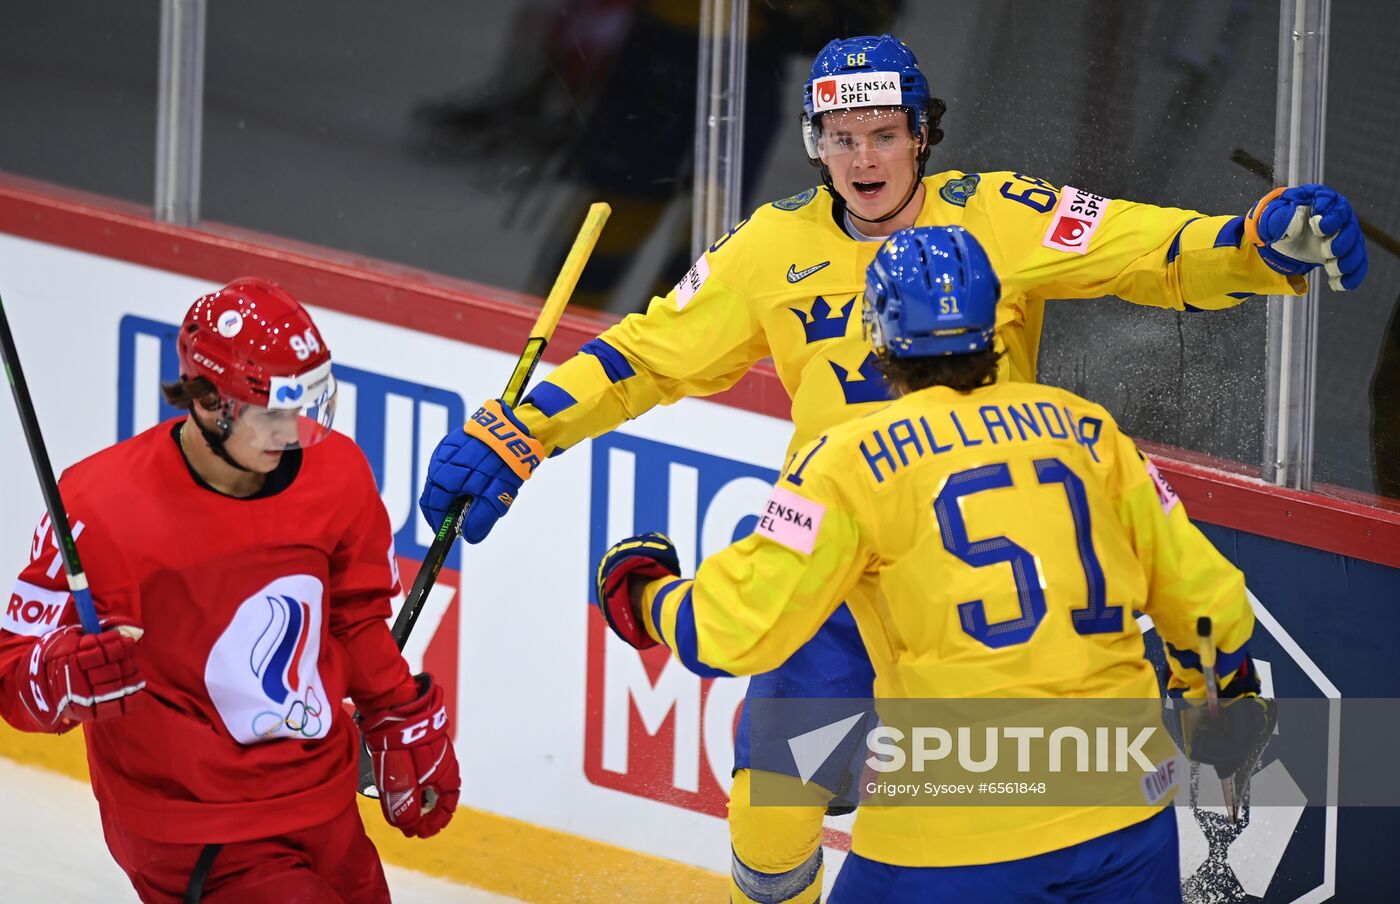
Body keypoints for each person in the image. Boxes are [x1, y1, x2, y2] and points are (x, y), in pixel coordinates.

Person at [420, 33, 1363, 903]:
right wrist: (523, 428)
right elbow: (645, 357)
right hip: (833, 564)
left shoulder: (1002, 215)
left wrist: (1256, 242)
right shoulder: (768, 247)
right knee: (772, 813)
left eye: (884, 135)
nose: (864, 160)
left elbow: (1154, 252)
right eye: (841, 137)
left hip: (946, 573)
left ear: (922, 135)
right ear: (814, 141)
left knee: (979, 797)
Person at [594, 225, 1276, 902]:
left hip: (956, 834)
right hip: (1127, 810)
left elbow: (734, 629)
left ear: (877, 334)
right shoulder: (1088, 430)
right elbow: (1205, 600)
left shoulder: (846, 461)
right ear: (996, 324)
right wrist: (1215, 697)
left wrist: (648, 597)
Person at [0, 279, 461, 904]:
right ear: (210, 400)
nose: (292, 431)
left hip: (320, 801)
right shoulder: (100, 508)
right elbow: (12, 677)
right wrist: (61, 675)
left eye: (304, 407)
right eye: (273, 412)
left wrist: (398, 713)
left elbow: (355, 622)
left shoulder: (338, 475)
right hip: (198, 828)